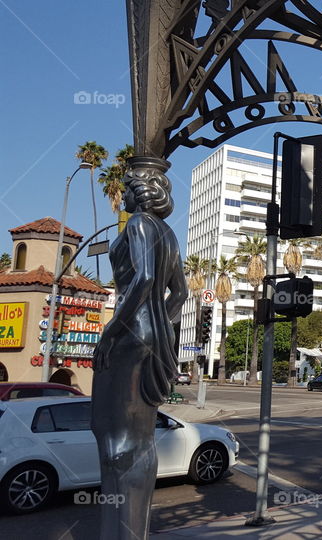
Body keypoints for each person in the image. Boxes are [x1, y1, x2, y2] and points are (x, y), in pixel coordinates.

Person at [92, 157, 188, 540]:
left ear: (137, 191)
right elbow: (179, 293)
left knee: (114, 438)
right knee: (140, 438)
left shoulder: (138, 224)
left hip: (129, 333)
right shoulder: (168, 233)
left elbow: (145, 277)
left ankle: (117, 531)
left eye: (126, 189)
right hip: (151, 334)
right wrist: (159, 325)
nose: (123, 197)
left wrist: (112, 331)